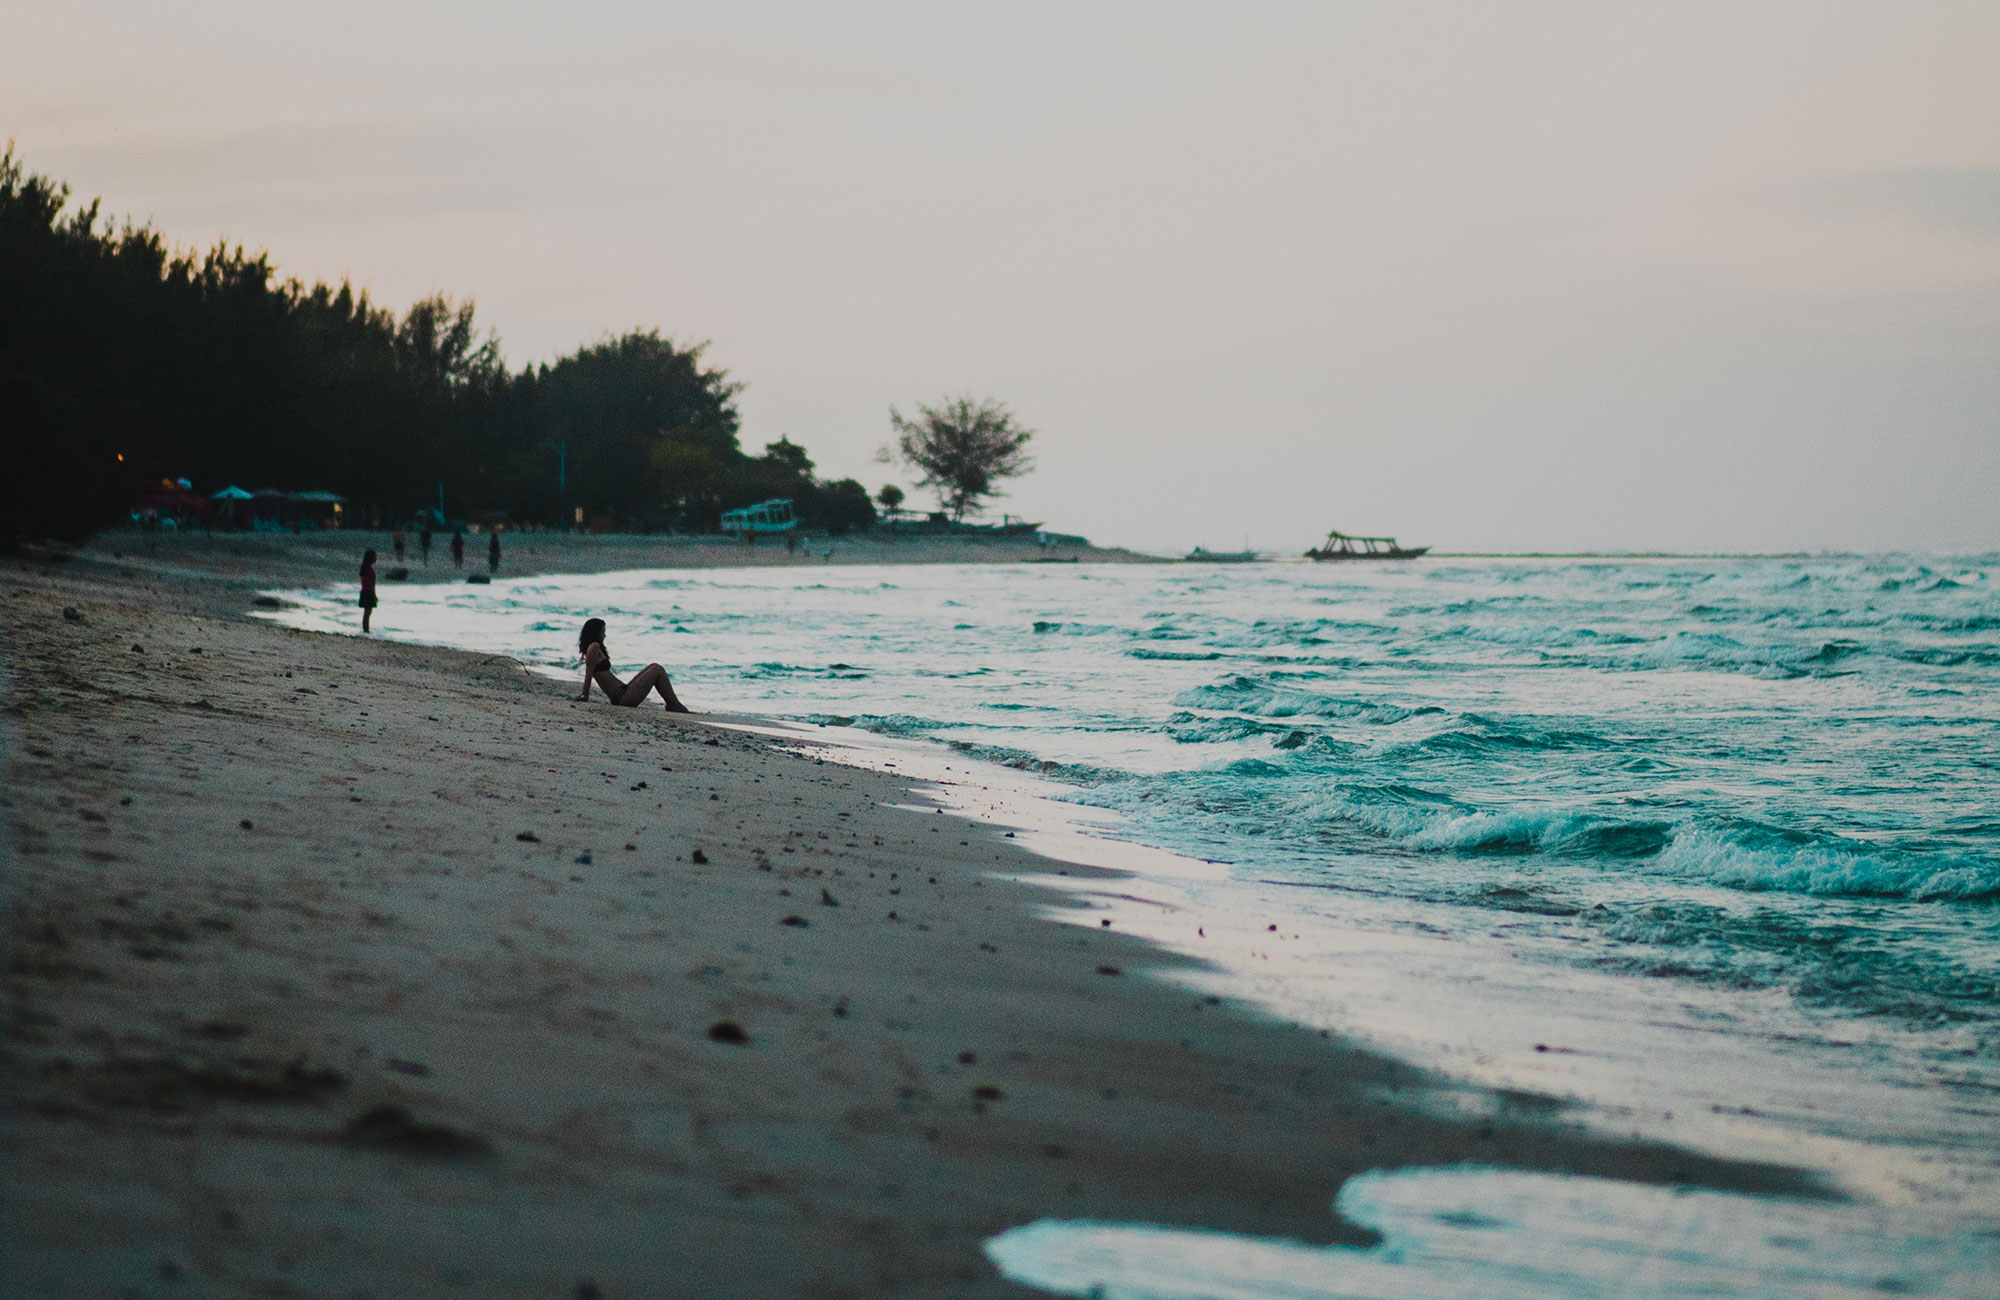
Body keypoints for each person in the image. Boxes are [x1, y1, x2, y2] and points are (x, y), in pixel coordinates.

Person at [576, 618, 691, 711]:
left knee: (654, 666)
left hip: (622, 692)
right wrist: (584, 695)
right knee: (657, 669)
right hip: (622, 698)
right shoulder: (594, 647)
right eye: (603, 632)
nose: (604, 635)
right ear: (596, 632)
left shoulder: (594, 647)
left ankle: (673, 704)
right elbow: (588, 673)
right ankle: (674, 704)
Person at [358, 549, 378, 633]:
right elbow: (371, 584)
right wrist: (374, 595)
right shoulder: (369, 569)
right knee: (367, 612)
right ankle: (366, 630)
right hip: (368, 592)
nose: (376, 558)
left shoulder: (365, 567)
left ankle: (366, 629)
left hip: (364, 591)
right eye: (375, 557)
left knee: (367, 612)